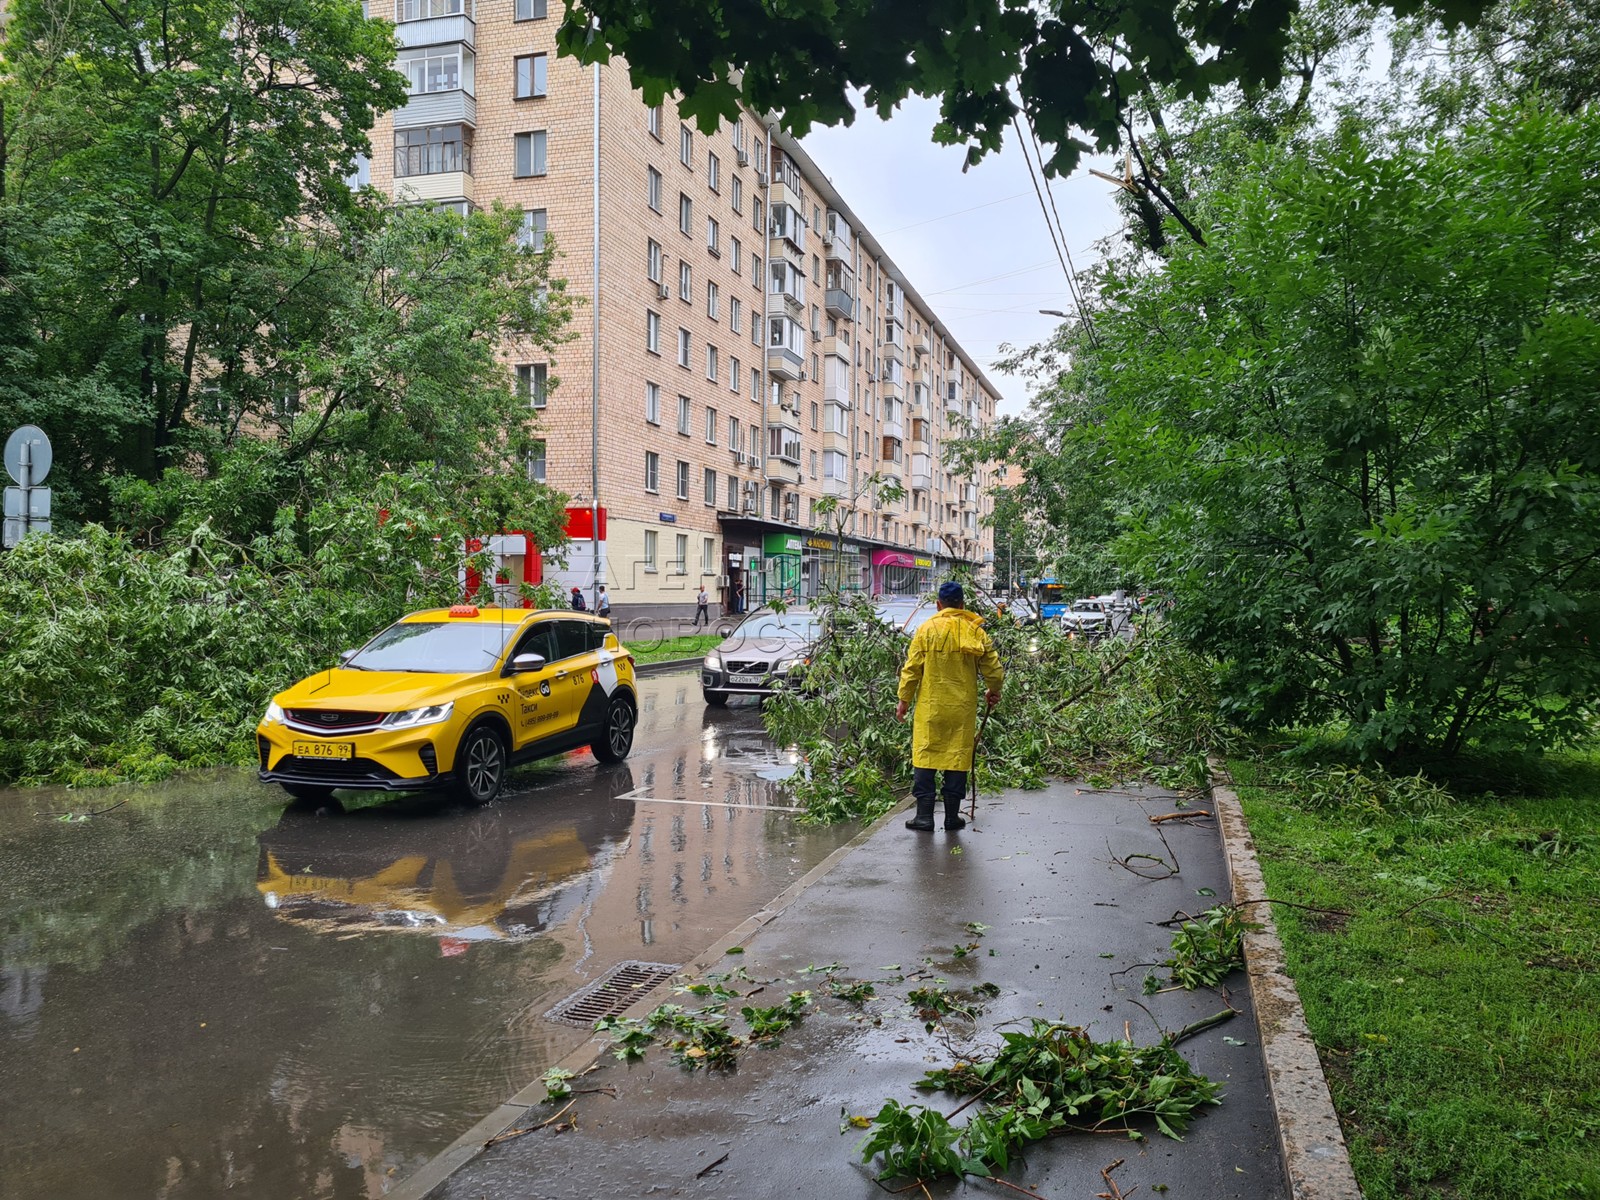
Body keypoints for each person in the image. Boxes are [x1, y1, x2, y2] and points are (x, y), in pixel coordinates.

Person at [895, 581, 1003, 832]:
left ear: (938, 605)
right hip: (962, 709)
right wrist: (993, 691)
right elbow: (994, 671)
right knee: (958, 756)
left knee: (925, 754)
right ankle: (952, 817)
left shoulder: (926, 630)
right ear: (963, 605)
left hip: (930, 708)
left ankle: (924, 817)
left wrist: (904, 700)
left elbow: (911, 670)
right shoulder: (975, 632)